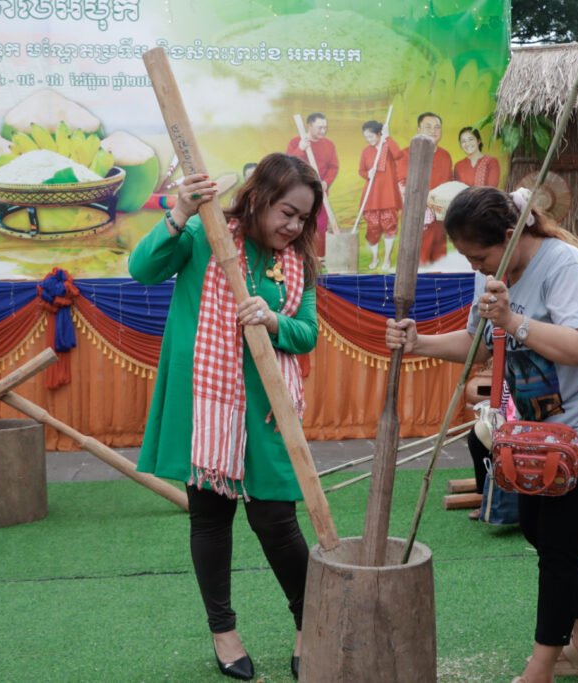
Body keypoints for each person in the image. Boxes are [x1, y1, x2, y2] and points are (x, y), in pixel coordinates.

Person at [385, 186, 578, 683]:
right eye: (468, 259)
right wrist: (419, 342)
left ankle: (540, 669)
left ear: (509, 234)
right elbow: (479, 344)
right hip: (541, 431)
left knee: (559, 549)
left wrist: (513, 320)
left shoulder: (564, 265)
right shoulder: (494, 275)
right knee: (539, 531)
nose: (476, 267)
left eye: (479, 256)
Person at [128, 153, 323, 682]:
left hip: (268, 407)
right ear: (258, 199)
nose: (294, 226)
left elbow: (308, 333)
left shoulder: (299, 261)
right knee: (211, 520)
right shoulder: (204, 234)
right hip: (207, 404)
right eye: (287, 212)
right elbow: (142, 269)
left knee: (276, 521)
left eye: (303, 218)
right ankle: (223, 632)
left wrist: (273, 320)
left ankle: (310, 624)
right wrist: (179, 212)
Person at [398, 112, 452, 265]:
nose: (433, 131)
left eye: (437, 127)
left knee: (440, 262)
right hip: (417, 219)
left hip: (440, 220)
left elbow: (449, 184)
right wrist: (425, 201)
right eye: (428, 127)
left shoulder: (445, 155)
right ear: (419, 130)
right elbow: (401, 184)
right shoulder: (406, 154)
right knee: (417, 264)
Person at [286, 112, 338, 258]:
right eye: (320, 127)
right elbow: (288, 164)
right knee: (300, 224)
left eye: (325, 127)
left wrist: (326, 182)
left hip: (320, 193)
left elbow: (333, 167)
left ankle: (320, 258)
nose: (323, 131)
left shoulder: (329, 145)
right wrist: (300, 149)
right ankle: (299, 257)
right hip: (299, 193)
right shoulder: (296, 142)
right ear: (309, 126)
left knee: (321, 226)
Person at [357, 119, 403, 271]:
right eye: (366, 137)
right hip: (372, 196)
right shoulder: (366, 151)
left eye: (371, 136)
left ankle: (387, 257)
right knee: (373, 228)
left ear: (379, 134)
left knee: (389, 226)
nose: (368, 140)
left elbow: (398, 155)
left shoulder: (388, 146)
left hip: (388, 195)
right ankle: (375, 257)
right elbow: (361, 171)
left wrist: (388, 136)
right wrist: (367, 174)